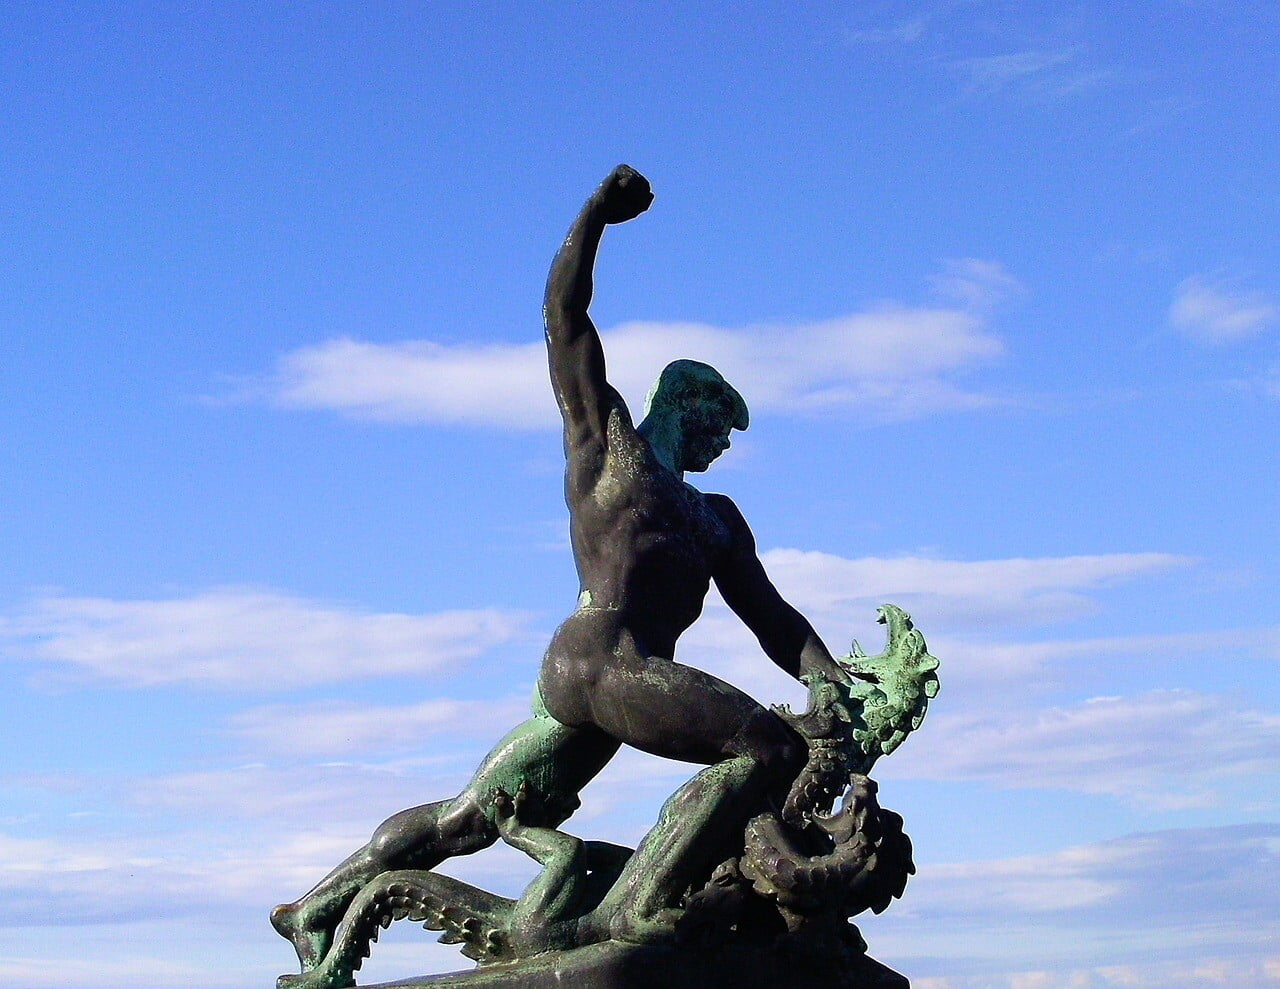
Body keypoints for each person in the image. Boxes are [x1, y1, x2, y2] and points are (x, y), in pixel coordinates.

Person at [272, 165, 855, 970]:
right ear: (689, 403)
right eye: (723, 424)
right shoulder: (609, 444)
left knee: (467, 817)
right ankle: (646, 905)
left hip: (613, 683)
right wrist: (596, 218)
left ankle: (313, 906)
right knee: (770, 749)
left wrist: (827, 674)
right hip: (601, 658)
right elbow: (564, 317)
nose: (726, 444)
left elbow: (774, 618)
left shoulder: (718, 518)